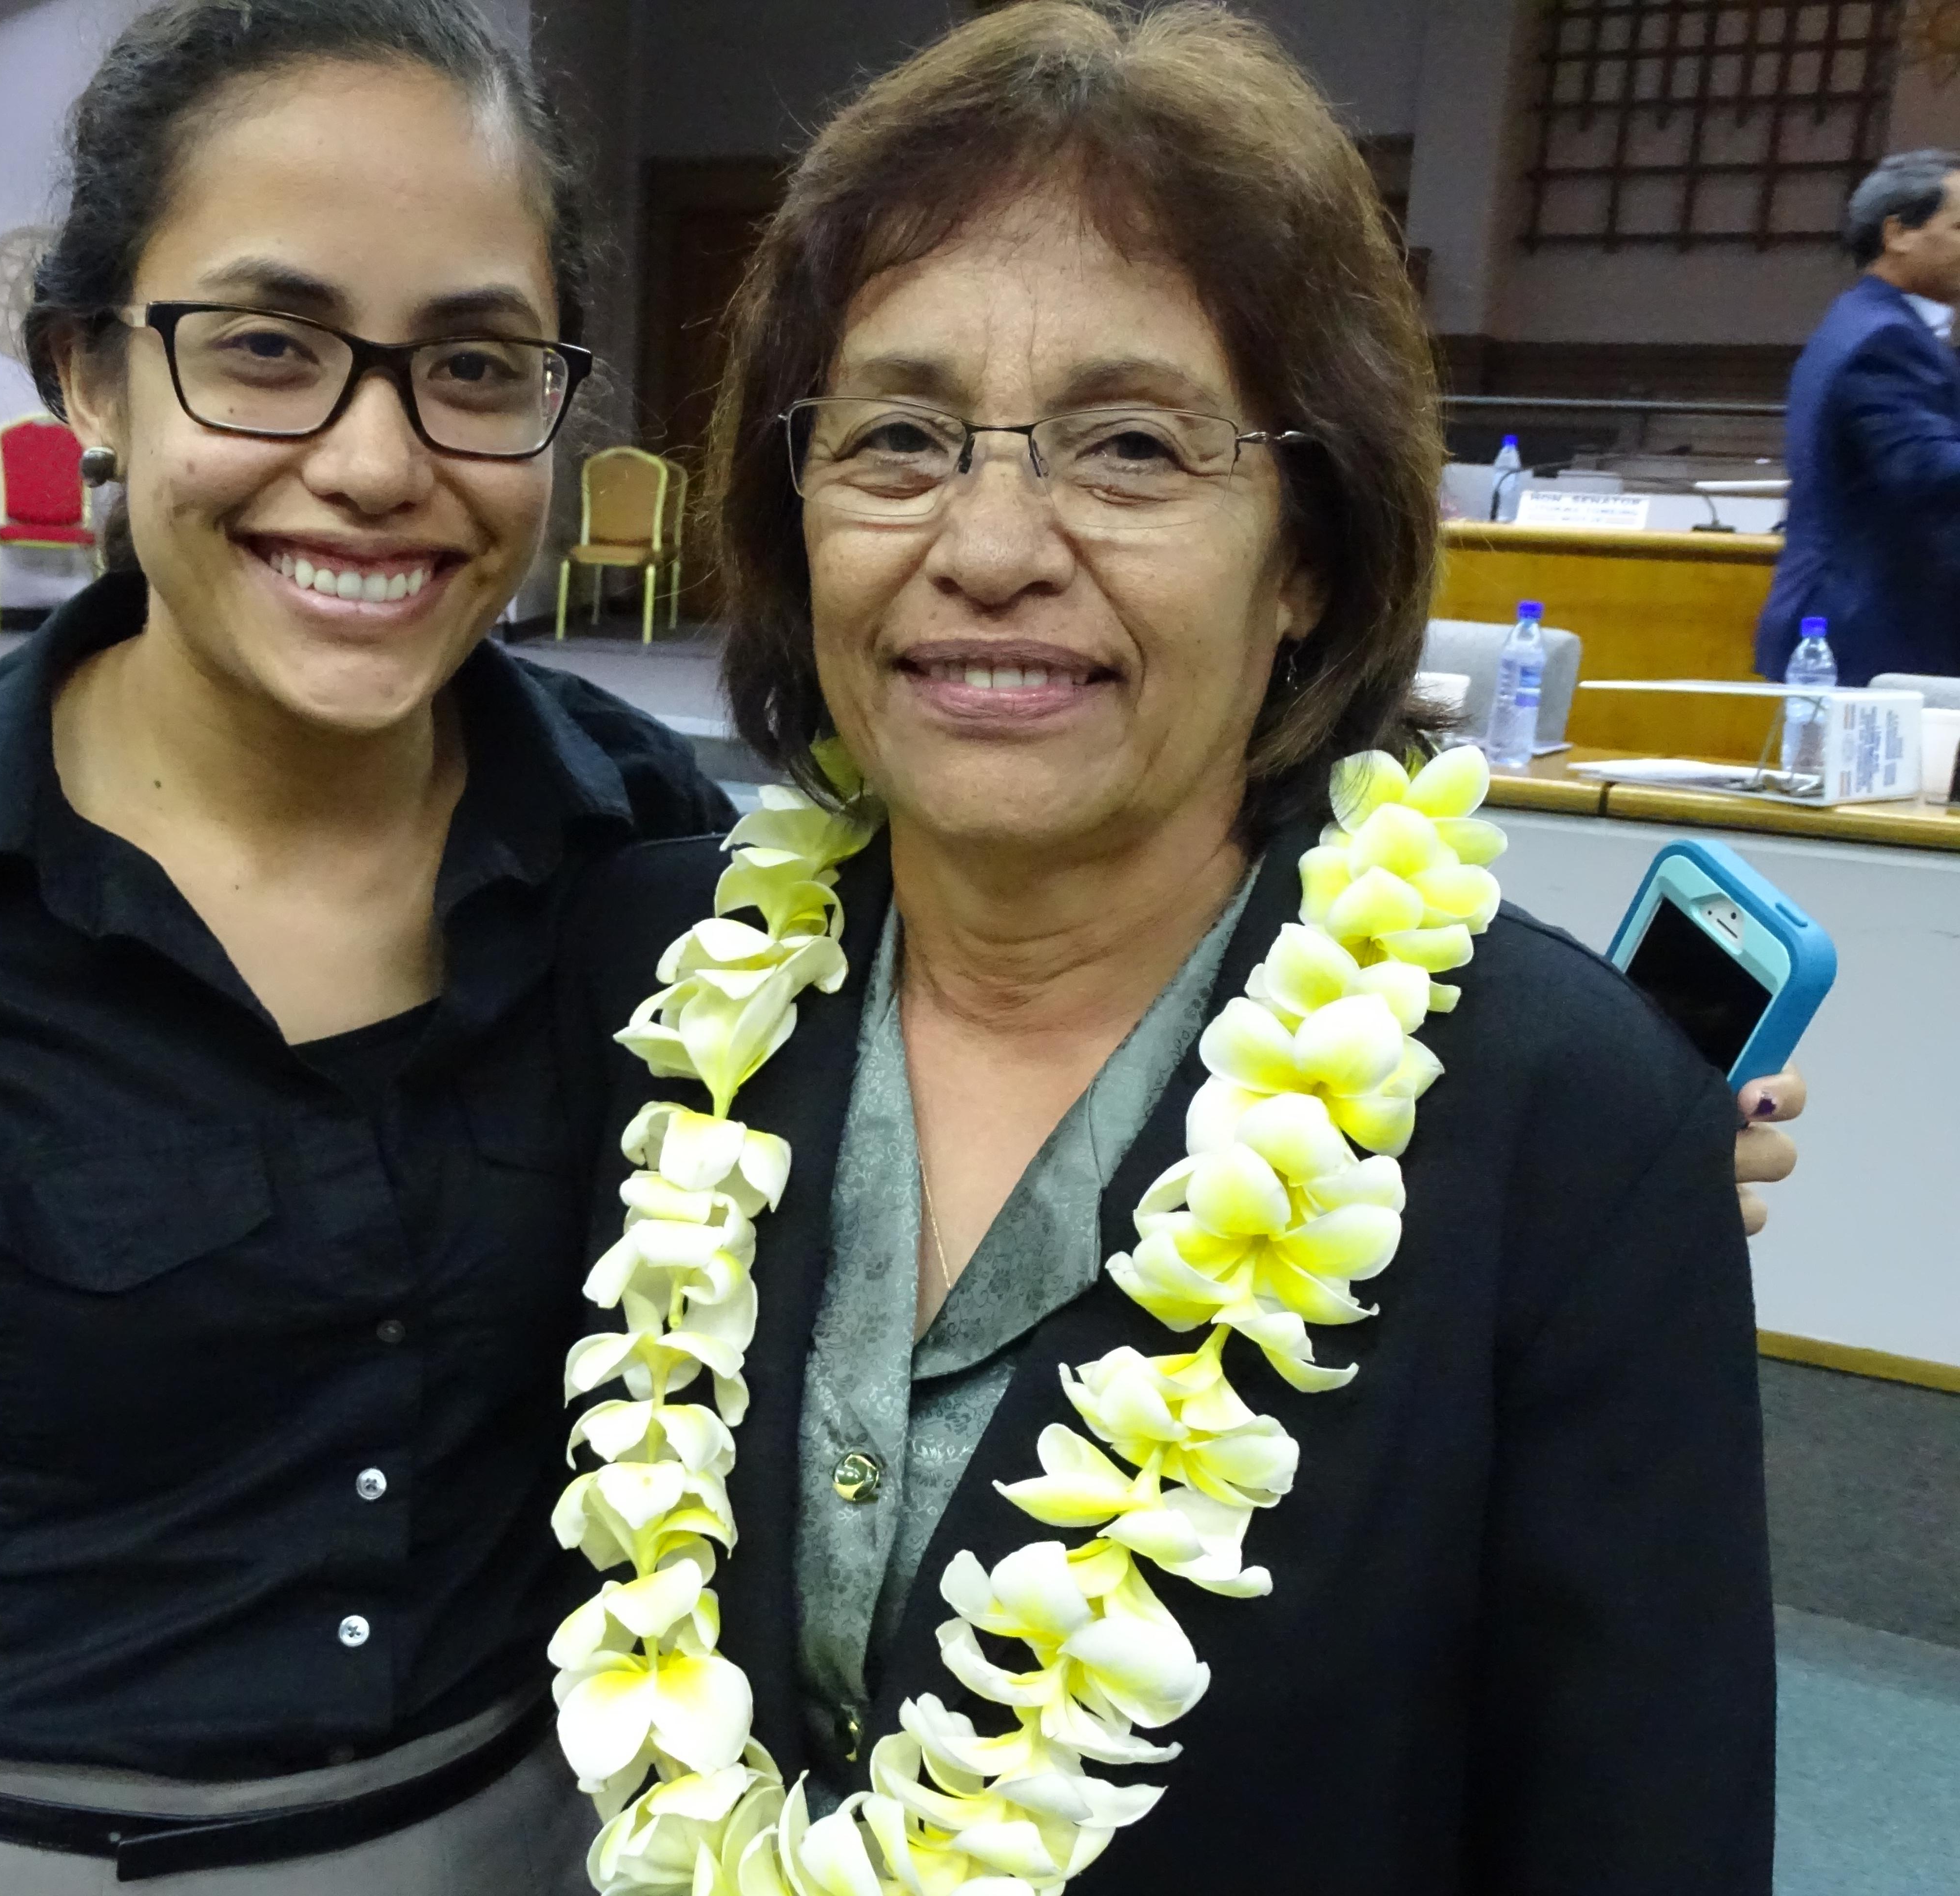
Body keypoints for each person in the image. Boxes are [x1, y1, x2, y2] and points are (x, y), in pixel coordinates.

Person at [559, 6, 1781, 1891]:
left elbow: (1641, 1840)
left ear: (1308, 557)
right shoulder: (657, 988)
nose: (988, 545)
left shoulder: (1570, 1130)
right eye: (896, 438)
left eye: (1129, 447)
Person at [0, 3, 729, 1891]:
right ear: (91, 377)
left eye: (473, 364)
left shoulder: (639, 843)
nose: (377, 461)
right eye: (267, 347)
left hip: (547, 1836)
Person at [1757, 147, 1960, 683]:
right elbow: (1928, 470)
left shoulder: (1867, 321)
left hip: (1870, 622)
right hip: (1870, 630)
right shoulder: (1885, 338)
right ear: (1898, 233)